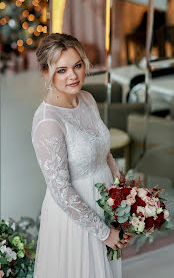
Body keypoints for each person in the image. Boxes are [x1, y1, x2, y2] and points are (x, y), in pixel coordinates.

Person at [31, 33, 133, 278]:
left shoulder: (87, 99)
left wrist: (121, 200)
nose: (73, 76)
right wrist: (104, 232)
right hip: (75, 218)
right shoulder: (48, 122)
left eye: (77, 66)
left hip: (104, 203)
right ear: (46, 73)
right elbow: (61, 191)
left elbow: (104, 151)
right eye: (62, 70)